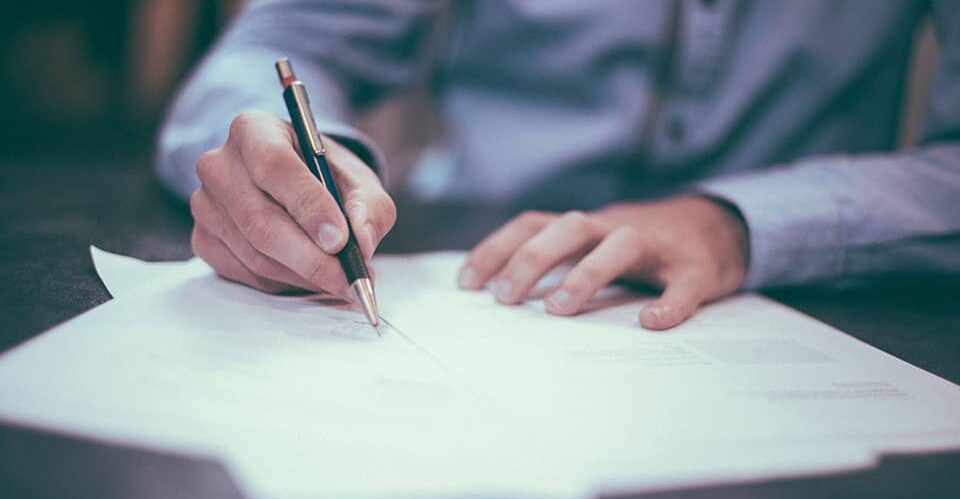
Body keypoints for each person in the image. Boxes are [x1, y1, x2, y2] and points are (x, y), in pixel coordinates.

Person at [157, 0, 960, 330]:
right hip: (473, 272)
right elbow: (276, 46)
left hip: (810, 301)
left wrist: (739, 222)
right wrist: (298, 165)